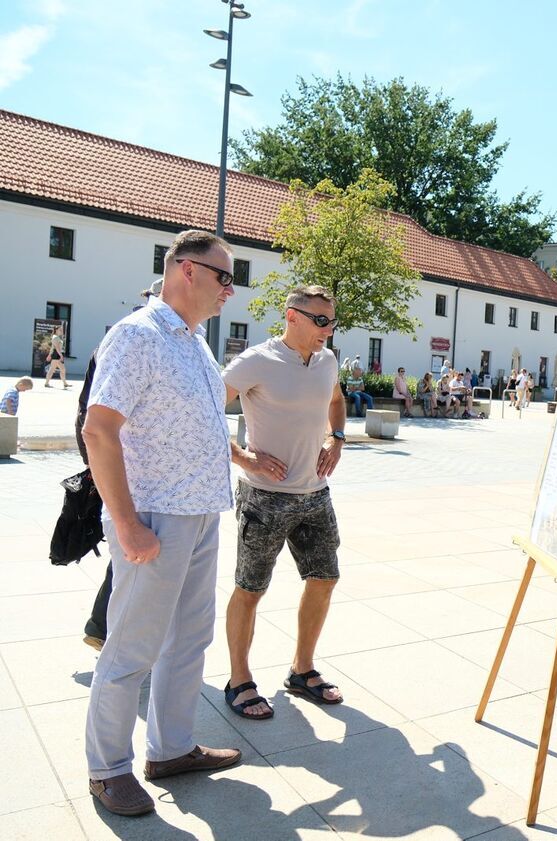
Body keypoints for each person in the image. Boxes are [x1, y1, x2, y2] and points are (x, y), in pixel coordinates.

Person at [80, 230, 242, 817]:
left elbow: (202, 428)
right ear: (186, 270)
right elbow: (99, 431)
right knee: (131, 649)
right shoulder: (138, 336)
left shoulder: (194, 343)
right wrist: (125, 524)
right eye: (224, 276)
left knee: (189, 640)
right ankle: (108, 769)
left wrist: (243, 461)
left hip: (200, 514)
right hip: (154, 517)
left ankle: (171, 750)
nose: (231, 289)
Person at [221, 285, 347, 721]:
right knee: (250, 588)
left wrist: (338, 438)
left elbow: (335, 400)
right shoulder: (257, 360)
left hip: (316, 495)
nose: (327, 331)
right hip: (265, 498)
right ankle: (239, 680)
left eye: (332, 321)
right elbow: (204, 408)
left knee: (324, 578)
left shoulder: (327, 360)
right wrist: (242, 456)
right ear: (291, 316)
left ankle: (302, 669)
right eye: (320, 321)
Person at [81, 280, 163, 651]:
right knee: (131, 553)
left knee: (128, 558)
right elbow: (94, 417)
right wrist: (96, 465)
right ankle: (109, 635)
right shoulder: (135, 336)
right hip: (129, 468)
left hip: (126, 464)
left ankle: (104, 630)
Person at [45, 324, 69, 388]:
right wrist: (61, 355)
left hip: (56, 354)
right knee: (57, 369)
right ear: (56, 330)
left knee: (59, 369)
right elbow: (56, 348)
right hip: (56, 354)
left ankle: (65, 383)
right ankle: (47, 383)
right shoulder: (55, 337)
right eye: (60, 330)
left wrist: (50, 355)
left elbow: (52, 348)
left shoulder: (57, 337)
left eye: (61, 330)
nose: (61, 331)